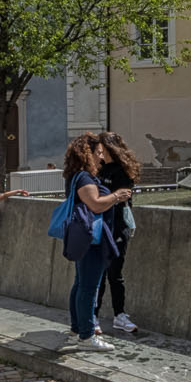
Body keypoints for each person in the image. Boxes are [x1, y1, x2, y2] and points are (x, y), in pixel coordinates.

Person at [56, 135, 131, 351]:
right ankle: (87, 336)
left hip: (87, 237)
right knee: (88, 287)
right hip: (92, 238)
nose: (101, 158)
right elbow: (96, 205)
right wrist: (117, 196)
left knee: (81, 284)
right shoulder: (84, 178)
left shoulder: (77, 176)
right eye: (98, 153)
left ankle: (76, 330)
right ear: (88, 154)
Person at [95, 132, 143, 334]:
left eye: (101, 149)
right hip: (101, 224)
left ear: (109, 148)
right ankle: (93, 316)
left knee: (115, 272)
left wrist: (108, 198)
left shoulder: (122, 170)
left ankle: (119, 315)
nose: (99, 153)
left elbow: (122, 197)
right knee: (98, 273)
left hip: (117, 225)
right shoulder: (99, 170)